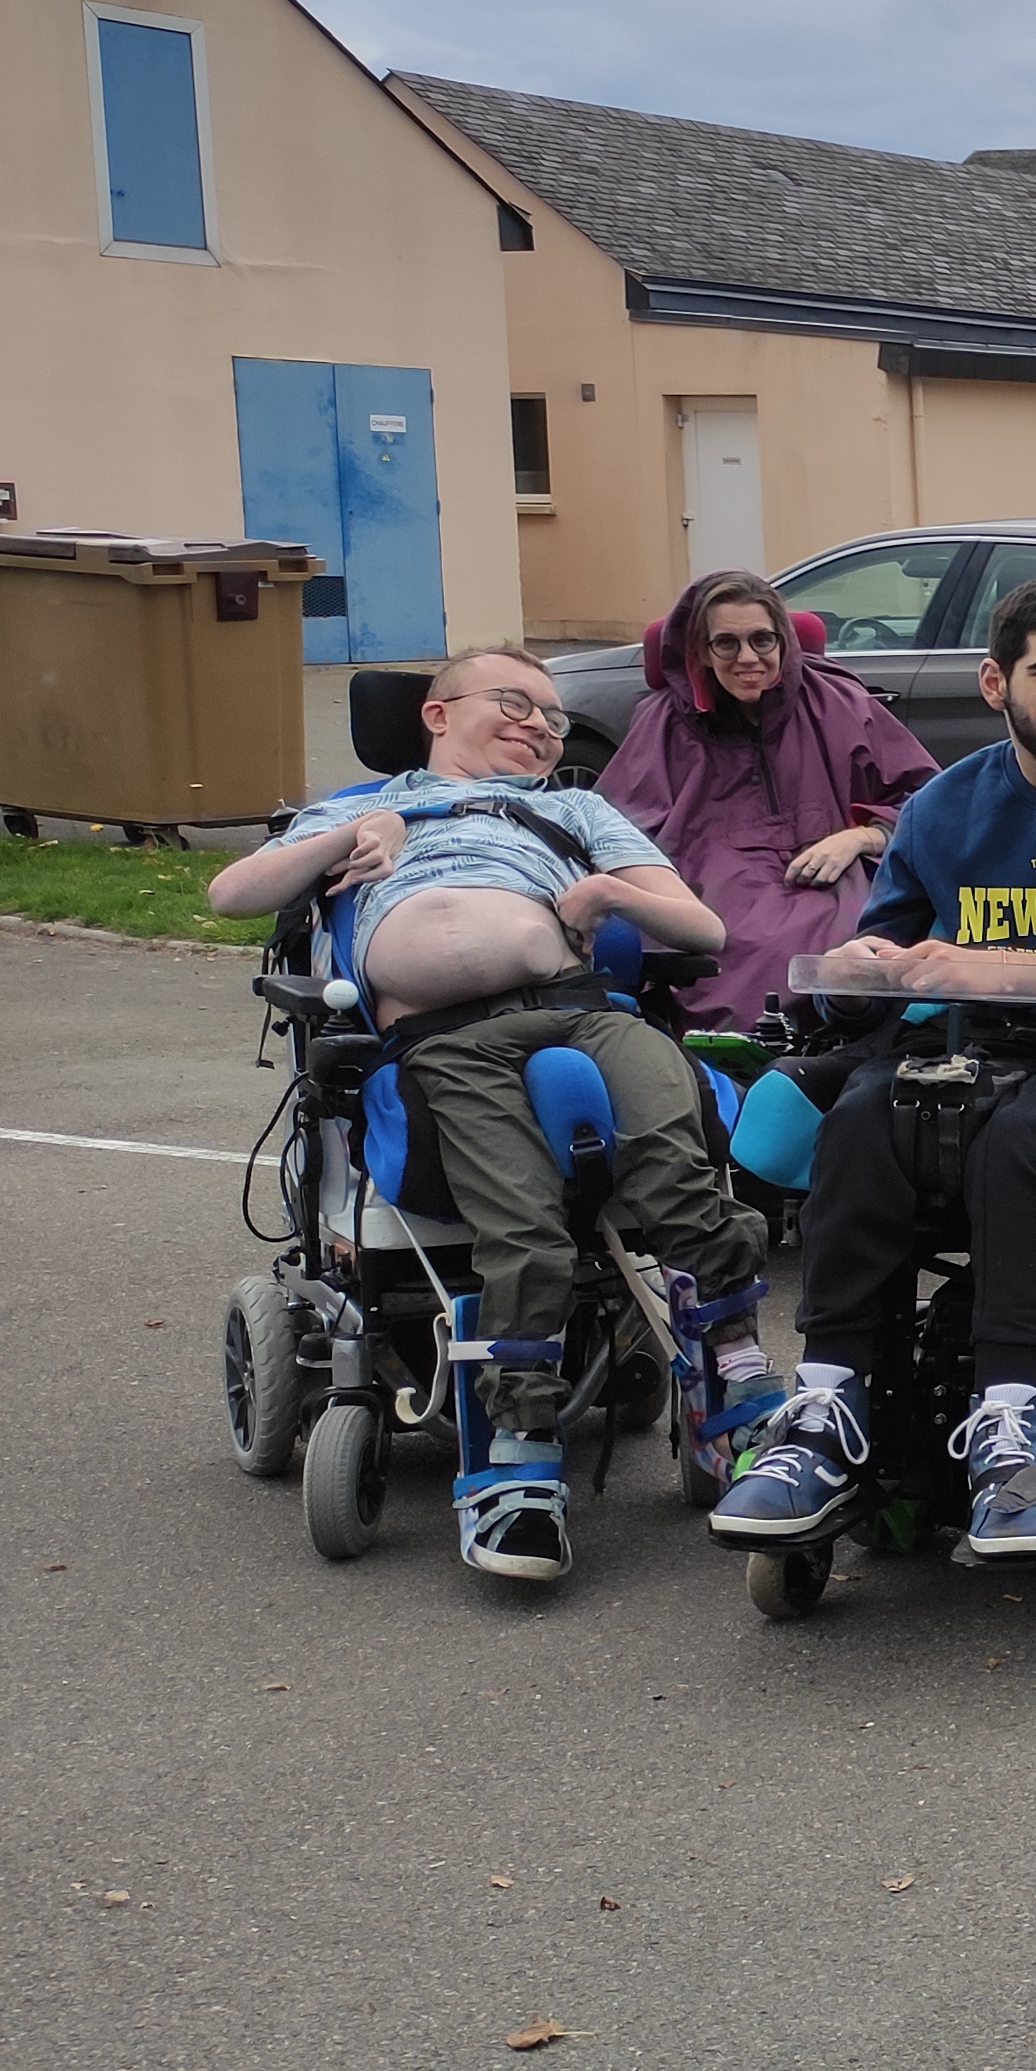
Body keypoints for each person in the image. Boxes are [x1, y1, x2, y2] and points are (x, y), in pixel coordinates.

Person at [205, 645, 771, 1583]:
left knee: (682, 1176)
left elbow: (703, 929)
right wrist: (359, 834)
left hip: (583, 1012)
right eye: (516, 703)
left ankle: (739, 1388)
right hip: (445, 1040)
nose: (539, 726)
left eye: (553, 718)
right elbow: (231, 895)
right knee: (521, 1229)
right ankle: (520, 1447)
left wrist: (609, 891)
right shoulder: (355, 807)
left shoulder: (575, 810)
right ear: (438, 714)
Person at [713, 577, 1036, 1560]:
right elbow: (888, 955)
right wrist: (856, 974)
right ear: (997, 682)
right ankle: (829, 1408)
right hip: (968, 1047)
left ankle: (1012, 1430)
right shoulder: (945, 804)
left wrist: (1000, 965)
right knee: (866, 1110)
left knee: (1013, 1134)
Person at [594, 568, 936, 1030]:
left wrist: (863, 837)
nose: (747, 658)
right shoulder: (664, 723)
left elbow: (929, 801)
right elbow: (612, 830)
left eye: (761, 640)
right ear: (701, 651)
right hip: (712, 881)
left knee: (861, 939)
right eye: (726, 643)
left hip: (837, 869)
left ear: (783, 642)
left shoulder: (838, 702)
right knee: (745, 949)